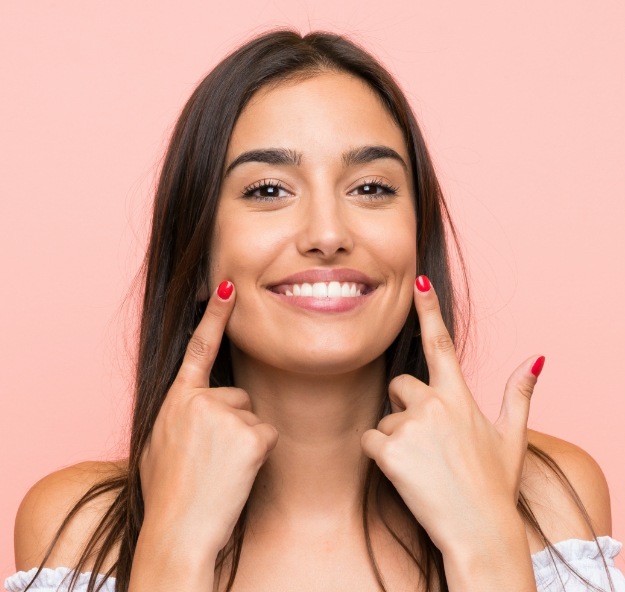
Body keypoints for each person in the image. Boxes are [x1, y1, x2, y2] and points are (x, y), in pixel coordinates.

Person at [5, 28, 625, 592]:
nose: (327, 233)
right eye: (268, 190)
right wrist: (174, 549)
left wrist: (487, 547)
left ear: (418, 241)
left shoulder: (546, 498)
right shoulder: (79, 530)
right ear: (196, 257)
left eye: (372, 188)